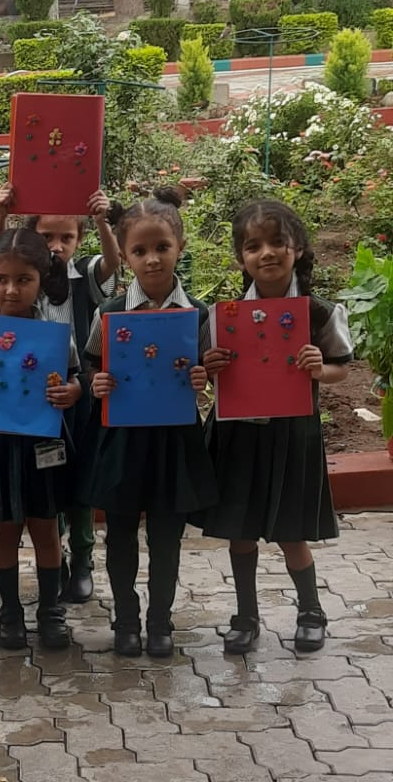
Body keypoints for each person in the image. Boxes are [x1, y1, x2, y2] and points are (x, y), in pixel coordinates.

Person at [200, 199, 351, 654]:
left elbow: (342, 367)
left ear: (297, 248)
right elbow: (209, 373)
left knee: (291, 531)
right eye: (253, 246)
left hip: (292, 436)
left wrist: (319, 368)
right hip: (240, 435)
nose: (266, 253)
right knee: (241, 531)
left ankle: (311, 612)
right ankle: (246, 617)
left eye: (277, 242)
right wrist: (211, 364)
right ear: (241, 257)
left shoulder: (318, 313)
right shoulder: (225, 317)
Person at [83, 190, 216, 659]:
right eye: (139, 250)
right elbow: (91, 364)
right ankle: (125, 619)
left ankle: (160, 620)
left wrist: (202, 375)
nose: (152, 259)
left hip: (174, 441)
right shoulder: (109, 313)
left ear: (180, 246)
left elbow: (207, 367)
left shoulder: (197, 313)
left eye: (162, 247)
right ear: (124, 256)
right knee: (120, 533)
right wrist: (97, 382)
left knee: (166, 536)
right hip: (124, 439)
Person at [0, 228, 82, 650]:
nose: (11, 289)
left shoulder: (56, 337)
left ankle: (51, 611)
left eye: (23, 279)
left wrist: (73, 391)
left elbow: (76, 378)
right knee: (5, 532)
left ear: (41, 279)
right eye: (1, 279)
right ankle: (10, 613)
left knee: (47, 530)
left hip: (44, 447)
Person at [8, 186, 121, 605]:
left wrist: (102, 221)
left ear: (79, 239)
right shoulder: (27, 279)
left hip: (81, 395)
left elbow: (113, 262)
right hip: (38, 397)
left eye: (66, 237)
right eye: (47, 237)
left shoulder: (85, 274)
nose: (56, 246)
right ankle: (56, 563)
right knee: (49, 477)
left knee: (82, 477)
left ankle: (84, 558)